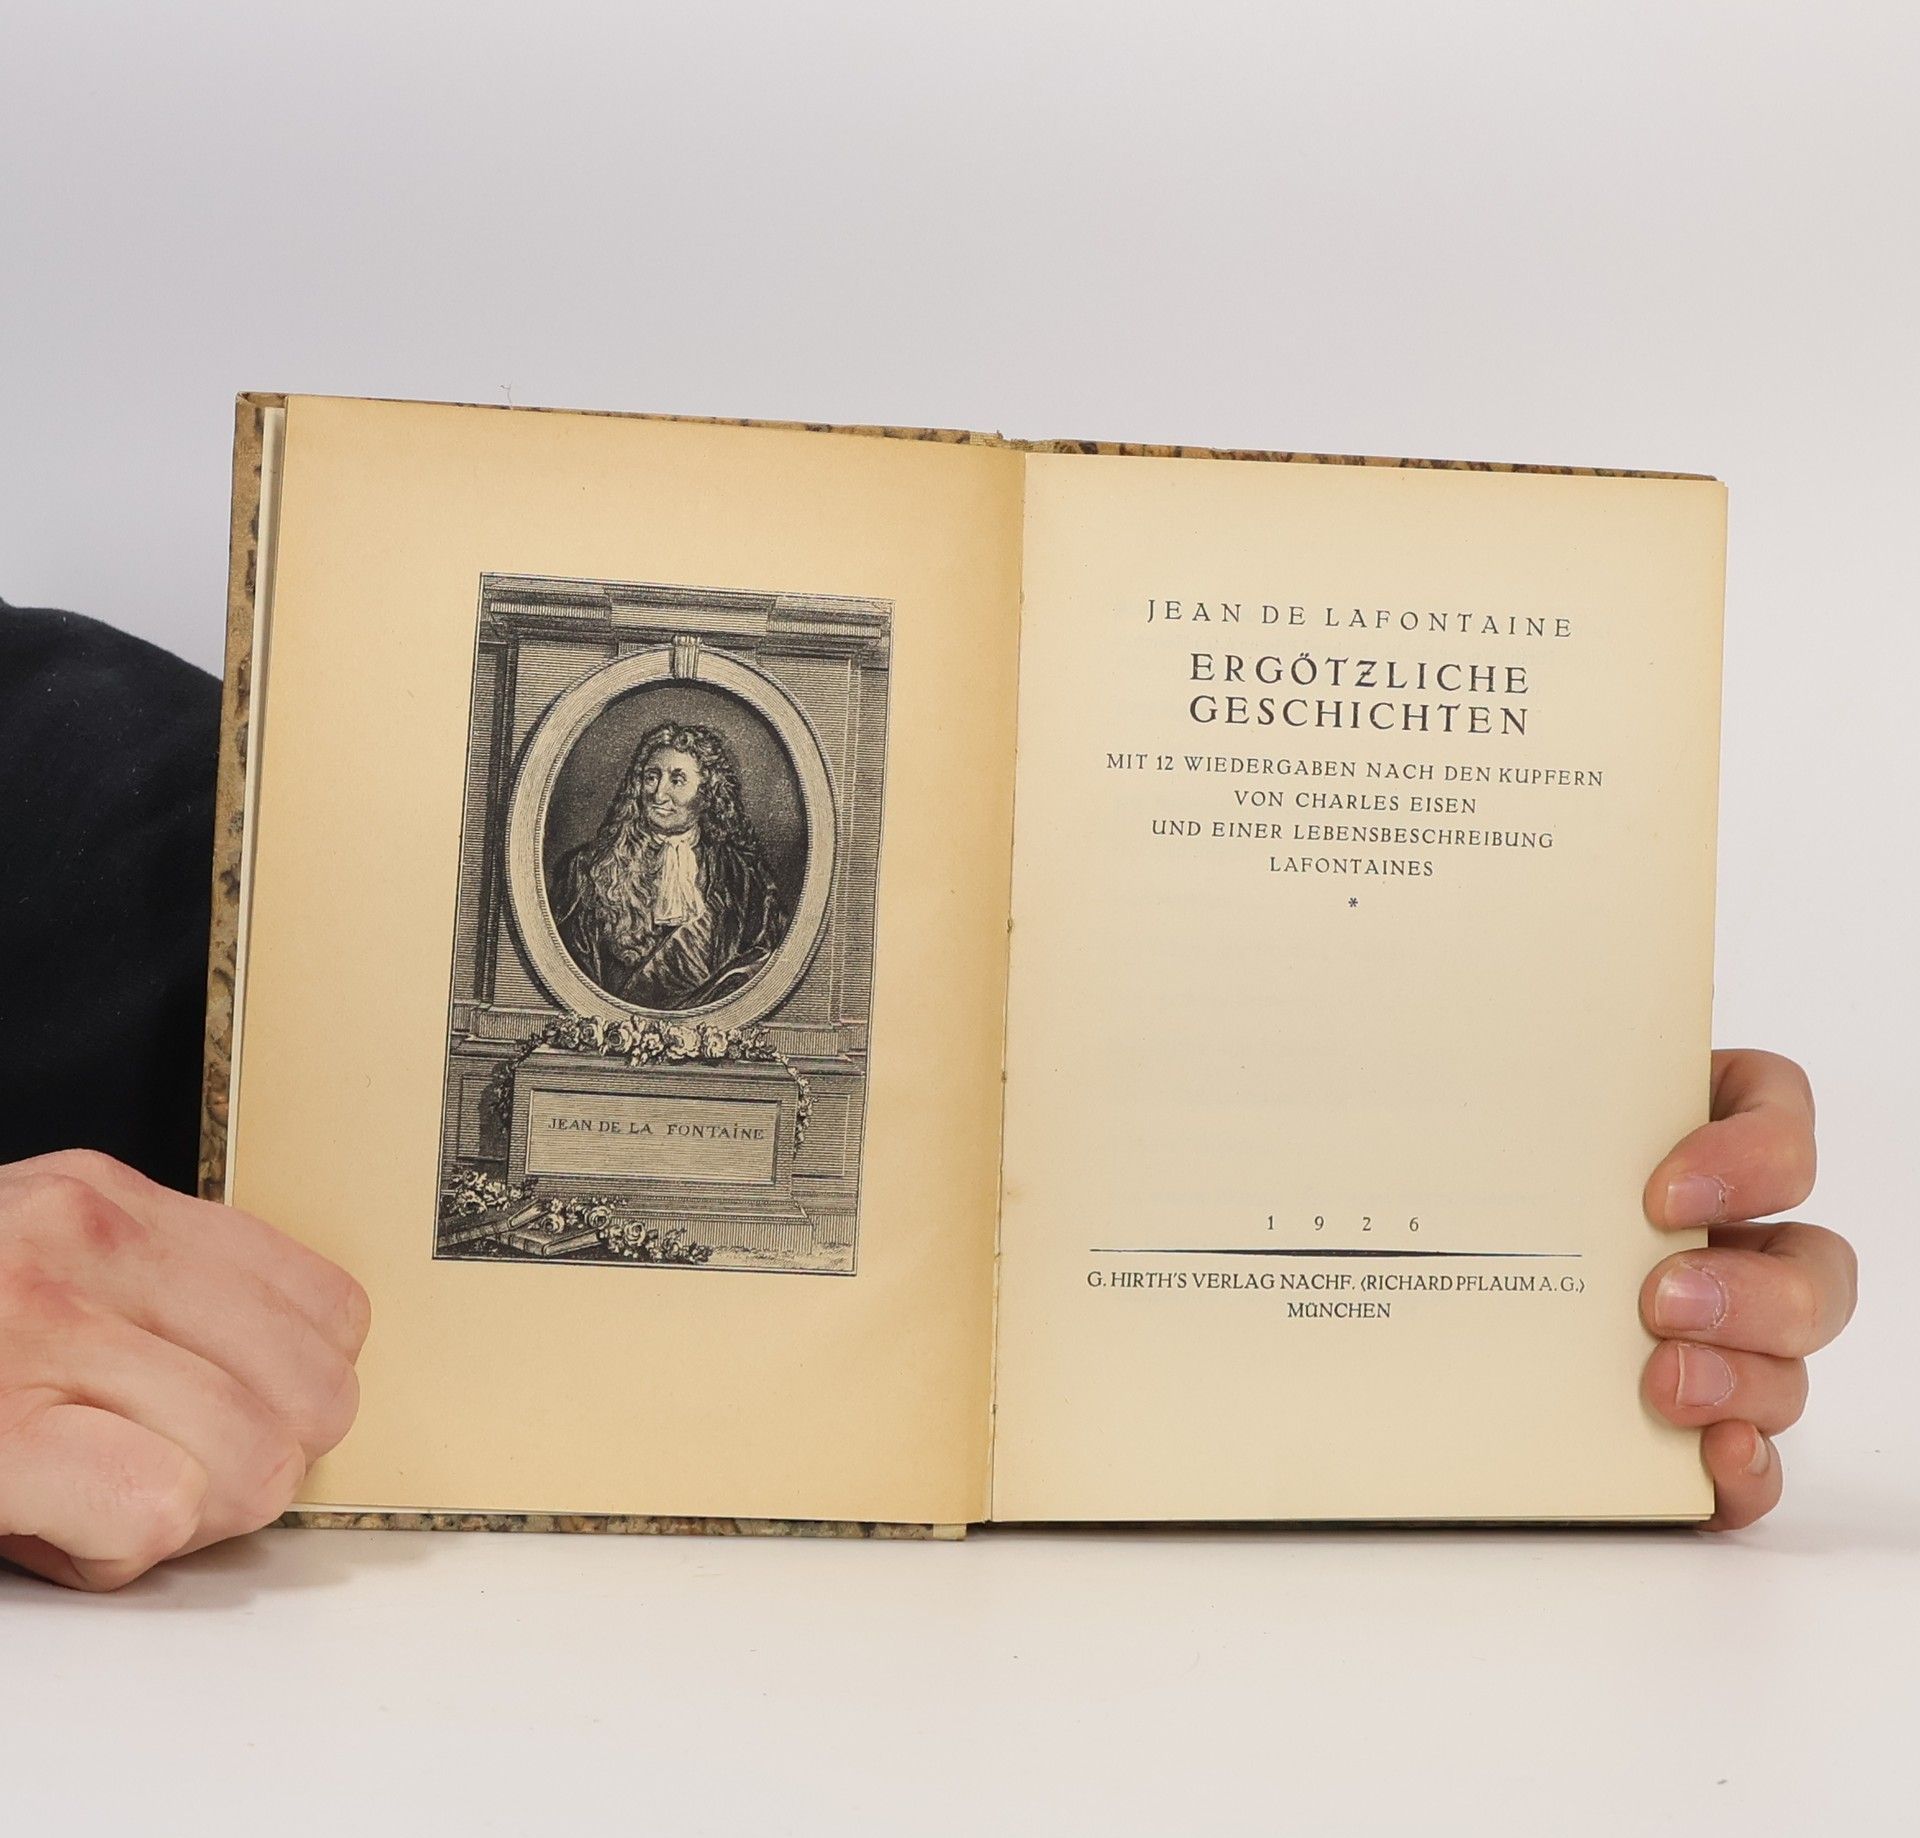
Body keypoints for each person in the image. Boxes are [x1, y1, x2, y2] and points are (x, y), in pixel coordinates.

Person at [0, 600, 1858, 1588]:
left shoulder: (140, 787)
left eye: (689, 779)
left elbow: (206, 935)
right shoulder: (582, 877)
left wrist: (1506, 1125)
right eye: (650, 778)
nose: (669, 796)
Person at [548, 720, 790, 1010]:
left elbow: (761, 964)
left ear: (707, 793)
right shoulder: (588, 869)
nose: (659, 794)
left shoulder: (742, 878)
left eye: (677, 780)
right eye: (651, 777)